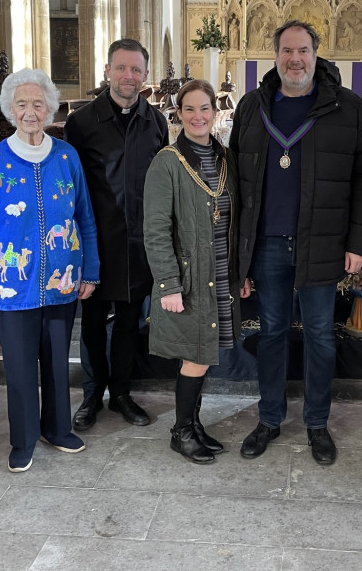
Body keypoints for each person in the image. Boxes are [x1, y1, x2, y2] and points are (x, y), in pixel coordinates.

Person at [230, 19, 362, 466]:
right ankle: (270, 418)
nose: (295, 59)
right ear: (274, 55)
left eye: (304, 51)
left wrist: (358, 242)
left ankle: (317, 423)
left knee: (319, 336)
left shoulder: (347, 108)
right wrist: (241, 252)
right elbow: (236, 180)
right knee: (271, 334)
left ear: (317, 55)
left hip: (324, 243)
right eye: (287, 51)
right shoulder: (251, 106)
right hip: (268, 244)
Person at [0, 68, 100, 473]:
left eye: (37, 103)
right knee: (21, 368)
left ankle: (57, 429)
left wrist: (89, 271)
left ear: (49, 109)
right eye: (21, 104)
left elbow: (85, 217)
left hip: (62, 283)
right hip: (9, 288)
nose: (30, 111)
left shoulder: (66, 156)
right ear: (9, 109)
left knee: (57, 362)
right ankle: (23, 439)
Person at [63, 39, 169, 429]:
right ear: (107, 70)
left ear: (145, 75)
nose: (129, 76)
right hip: (96, 243)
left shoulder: (156, 122)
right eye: (121, 68)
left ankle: (121, 393)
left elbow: (163, 185)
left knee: (129, 323)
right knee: (91, 323)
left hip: (140, 244)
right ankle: (92, 395)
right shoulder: (81, 122)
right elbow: (71, 188)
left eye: (136, 69)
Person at [143, 80, 247, 464]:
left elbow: (235, 222)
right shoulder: (167, 162)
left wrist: (240, 274)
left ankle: (194, 423)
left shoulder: (225, 159)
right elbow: (155, 230)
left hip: (219, 271)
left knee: (203, 351)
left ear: (216, 114)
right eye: (189, 109)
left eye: (205, 109)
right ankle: (181, 431)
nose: (198, 116)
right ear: (178, 114)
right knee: (196, 355)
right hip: (187, 278)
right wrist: (168, 283)